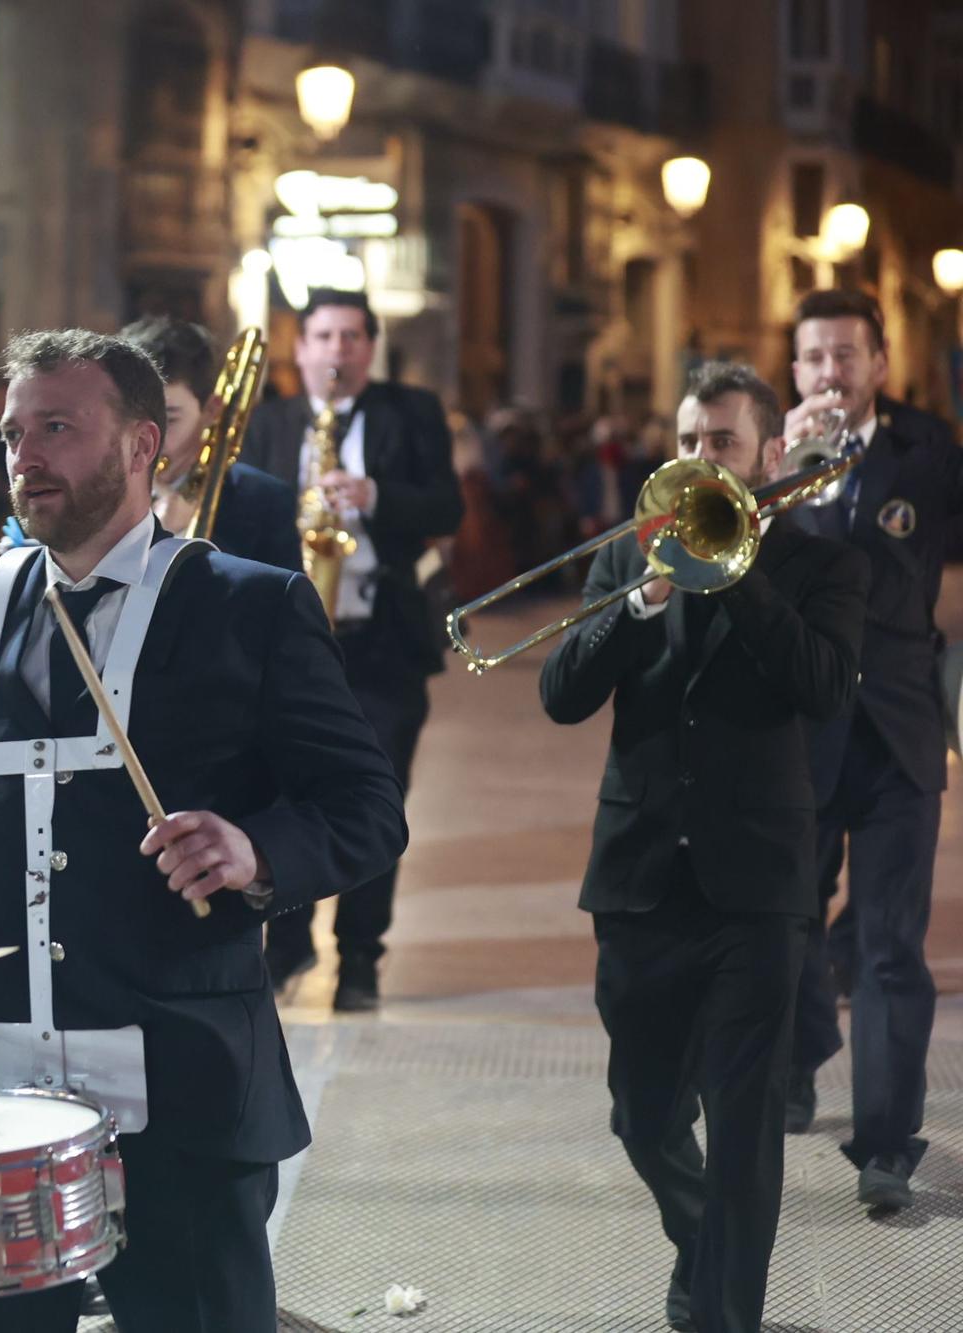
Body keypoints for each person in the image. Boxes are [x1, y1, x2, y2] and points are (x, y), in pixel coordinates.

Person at [0, 329, 406, 1333]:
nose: (23, 458)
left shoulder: (248, 605)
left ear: (139, 444)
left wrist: (255, 852)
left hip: (182, 1088)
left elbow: (364, 807)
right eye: (10, 433)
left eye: (56, 429)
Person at [540, 362, 867, 1333]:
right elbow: (559, 695)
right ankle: (702, 1244)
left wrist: (737, 575)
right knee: (640, 1120)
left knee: (743, 1131)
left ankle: (723, 1312)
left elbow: (820, 687)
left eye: (718, 441)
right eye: (686, 439)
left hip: (756, 891)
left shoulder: (819, 566)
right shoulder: (629, 555)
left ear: (769, 453)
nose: (697, 457)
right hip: (639, 882)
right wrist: (637, 602)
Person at [782, 288, 961, 1211]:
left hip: (896, 730)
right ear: (795, 368)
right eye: (814, 357)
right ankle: (798, 1064)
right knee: (790, 922)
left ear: (880, 365)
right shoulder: (771, 457)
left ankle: (887, 1143)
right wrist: (784, 471)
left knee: (892, 946)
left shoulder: (928, 450)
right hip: (798, 729)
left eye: (848, 356)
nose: (831, 373)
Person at [239, 288, 462, 1008]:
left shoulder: (411, 412)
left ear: (371, 347)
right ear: (299, 347)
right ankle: (290, 937)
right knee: (284, 790)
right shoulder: (268, 423)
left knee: (378, 796)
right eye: (325, 336)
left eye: (353, 337)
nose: (339, 349)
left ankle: (361, 957)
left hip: (382, 640)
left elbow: (448, 507)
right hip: (290, 647)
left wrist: (374, 496)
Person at [120, 315, 303, 570]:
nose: (145, 441)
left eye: (168, 419)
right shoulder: (91, 490)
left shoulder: (265, 502)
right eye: (130, 417)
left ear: (211, 410)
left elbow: (275, 604)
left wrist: (176, 538)